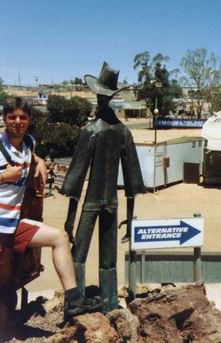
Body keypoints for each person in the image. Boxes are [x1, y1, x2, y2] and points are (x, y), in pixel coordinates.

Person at [0, 97, 101, 343]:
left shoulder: (28, 144)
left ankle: (74, 301)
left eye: (22, 117)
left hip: (10, 225)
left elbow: (31, 155)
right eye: (12, 117)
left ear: (29, 120)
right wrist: (5, 176)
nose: (17, 122)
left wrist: (40, 161)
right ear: (4, 120)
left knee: (59, 238)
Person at [61, 62, 146, 312]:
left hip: (92, 203)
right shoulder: (123, 132)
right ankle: (109, 303)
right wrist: (130, 219)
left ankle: (75, 303)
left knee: (78, 255)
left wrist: (69, 219)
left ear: (100, 96)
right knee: (108, 259)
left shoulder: (91, 131)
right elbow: (133, 181)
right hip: (112, 203)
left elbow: (76, 178)